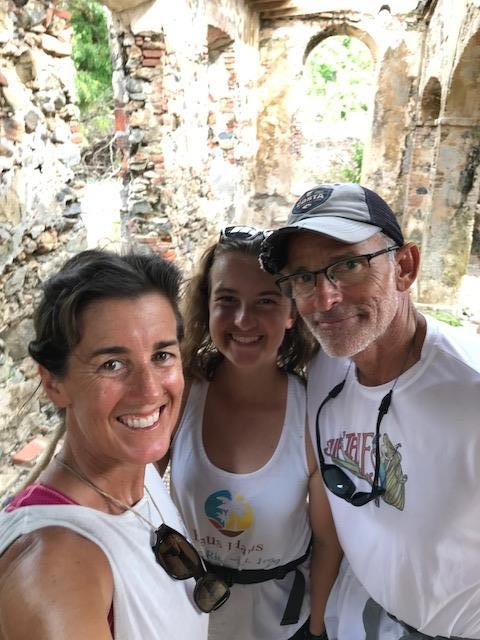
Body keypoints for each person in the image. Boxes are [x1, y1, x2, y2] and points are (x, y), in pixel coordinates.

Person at [259, 182, 480, 639]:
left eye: (349, 265)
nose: (324, 299)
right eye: (303, 277)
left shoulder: (469, 391)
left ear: (405, 266)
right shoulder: (325, 368)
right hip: (356, 612)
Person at [0, 248, 227, 639]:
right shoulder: (55, 564)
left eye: (162, 355)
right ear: (54, 383)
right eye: (112, 364)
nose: (149, 390)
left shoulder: (138, 475)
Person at [166, 226, 342, 640]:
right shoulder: (182, 395)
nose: (243, 320)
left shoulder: (311, 413)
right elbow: (134, 494)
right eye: (227, 300)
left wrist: (316, 629)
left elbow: (326, 543)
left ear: (292, 312)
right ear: (207, 306)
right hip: (182, 615)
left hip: (280, 623)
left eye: (266, 300)